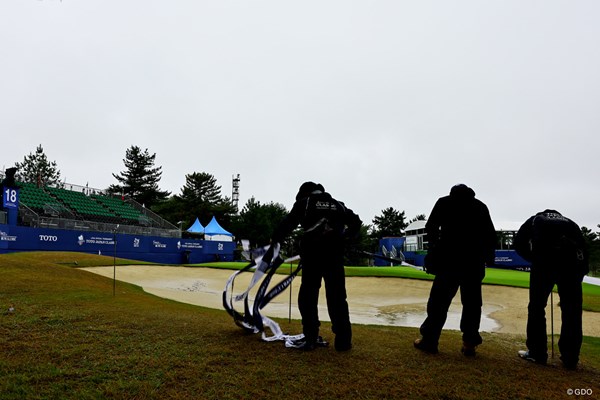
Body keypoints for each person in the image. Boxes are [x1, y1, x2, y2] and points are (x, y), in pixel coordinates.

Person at [265, 181, 362, 351]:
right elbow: (356, 222)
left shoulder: (305, 203)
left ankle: (310, 338)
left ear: (305, 193)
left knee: (308, 296)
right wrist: (345, 238)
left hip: (312, 257)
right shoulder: (338, 205)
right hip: (335, 257)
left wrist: (275, 239)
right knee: (338, 298)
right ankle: (343, 341)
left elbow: (287, 224)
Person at [414, 184, 496, 356]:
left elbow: (431, 228)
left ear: (452, 193)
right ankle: (469, 344)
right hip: (473, 263)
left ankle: (429, 341)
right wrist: (488, 258)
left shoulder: (445, 202)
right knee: (472, 305)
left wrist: (433, 252)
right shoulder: (480, 206)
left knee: (438, 303)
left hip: (448, 261)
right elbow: (490, 235)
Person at [514, 209, 588, 369]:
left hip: (543, 266)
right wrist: (580, 273)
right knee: (572, 311)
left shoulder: (534, 220)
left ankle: (537, 353)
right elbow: (583, 250)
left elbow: (518, 243)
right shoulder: (570, 222)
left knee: (537, 308)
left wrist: (535, 259)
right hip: (571, 269)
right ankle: (571, 357)